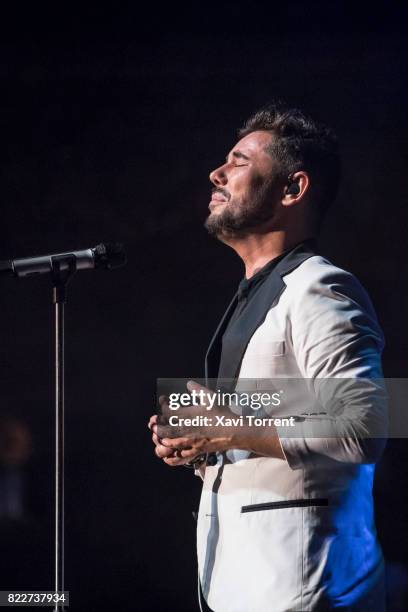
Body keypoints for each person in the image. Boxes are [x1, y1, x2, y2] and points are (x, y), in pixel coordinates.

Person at [148, 103, 387, 611]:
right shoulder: (257, 292)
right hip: (241, 580)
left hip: (303, 585)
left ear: (292, 189)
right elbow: (264, 428)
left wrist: (230, 427)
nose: (216, 172)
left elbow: (365, 426)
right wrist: (201, 443)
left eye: (238, 161)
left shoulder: (322, 287)